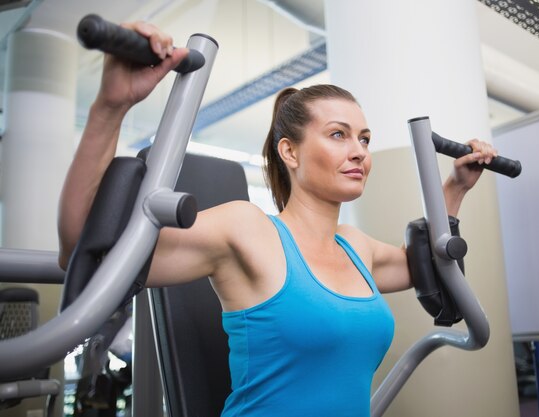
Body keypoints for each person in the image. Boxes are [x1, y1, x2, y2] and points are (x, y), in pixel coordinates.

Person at [58, 21, 498, 417]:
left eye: (364, 138)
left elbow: (430, 267)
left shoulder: (355, 246)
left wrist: (455, 187)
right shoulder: (249, 230)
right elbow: (89, 249)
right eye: (338, 135)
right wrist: (110, 107)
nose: (360, 151)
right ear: (290, 151)